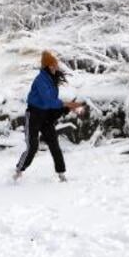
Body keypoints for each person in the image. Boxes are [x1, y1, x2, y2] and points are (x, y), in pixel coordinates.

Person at [14, 51, 84, 182]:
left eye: (55, 64)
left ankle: (61, 173)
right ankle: (19, 171)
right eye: (52, 65)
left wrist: (69, 108)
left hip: (46, 116)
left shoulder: (52, 78)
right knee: (33, 147)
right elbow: (48, 101)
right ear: (46, 66)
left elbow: (52, 102)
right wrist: (69, 104)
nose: (55, 67)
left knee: (54, 145)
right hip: (34, 115)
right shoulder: (40, 80)